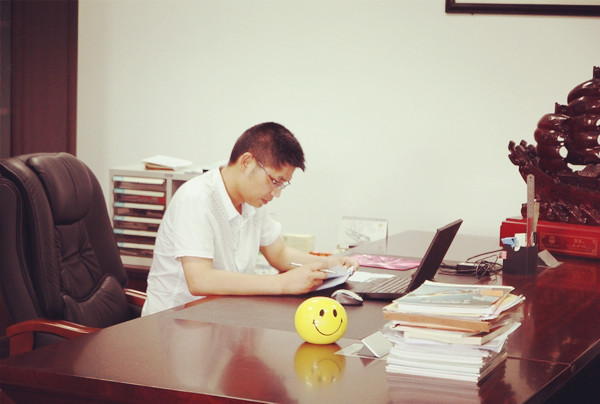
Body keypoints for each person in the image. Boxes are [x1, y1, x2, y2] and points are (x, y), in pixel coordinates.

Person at [141, 122, 359, 316]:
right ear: (247, 162)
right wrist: (282, 283)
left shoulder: (252, 201)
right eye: (275, 181)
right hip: (175, 322)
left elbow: (279, 254)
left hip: (222, 316)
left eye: (282, 185)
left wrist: (330, 264)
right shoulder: (196, 198)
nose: (276, 193)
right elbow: (200, 280)